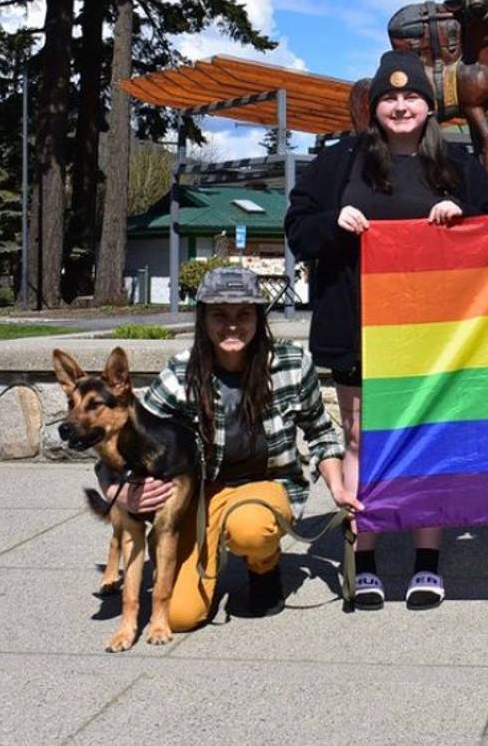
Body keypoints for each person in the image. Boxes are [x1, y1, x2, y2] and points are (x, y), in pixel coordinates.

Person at [285, 50, 488, 610]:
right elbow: (298, 230)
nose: (400, 106)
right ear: (375, 105)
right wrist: (334, 225)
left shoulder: (458, 165)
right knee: (361, 440)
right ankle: (368, 558)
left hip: (435, 330)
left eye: (411, 97)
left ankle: (428, 561)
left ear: (430, 107)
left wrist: (462, 222)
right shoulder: (339, 163)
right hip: (356, 325)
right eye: (389, 97)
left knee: (428, 440)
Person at [98, 266, 359, 631]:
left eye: (243, 314)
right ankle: (203, 559)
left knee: (250, 528)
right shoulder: (180, 375)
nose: (232, 325)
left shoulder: (291, 363)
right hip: (196, 497)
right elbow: (125, 440)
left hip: (266, 486)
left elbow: (319, 431)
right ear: (203, 318)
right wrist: (120, 492)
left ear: (258, 317)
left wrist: (338, 487)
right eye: (219, 314)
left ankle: (263, 566)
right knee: (178, 617)